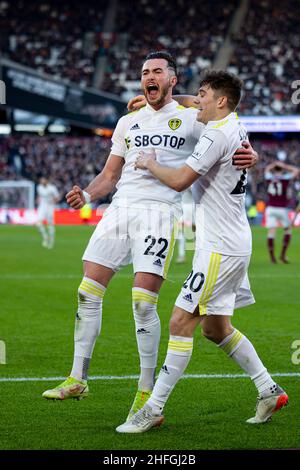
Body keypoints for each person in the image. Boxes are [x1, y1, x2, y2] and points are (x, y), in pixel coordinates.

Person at [42, 53, 257, 420]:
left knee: (143, 303)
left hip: (160, 214)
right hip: (120, 210)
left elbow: (226, 122)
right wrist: (89, 195)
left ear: (172, 79)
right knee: (86, 291)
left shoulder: (192, 118)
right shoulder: (128, 122)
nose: (149, 77)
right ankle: (77, 377)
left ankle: (144, 392)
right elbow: (110, 175)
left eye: (157, 71)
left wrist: (248, 153)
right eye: (145, 73)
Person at [116, 70, 288, 433]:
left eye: (203, 95)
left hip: (219, 249)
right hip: (231, 243)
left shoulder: (215, 135)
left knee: (180, 321)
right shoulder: (235, 123)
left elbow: (179, 181)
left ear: (220, 101)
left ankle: (152, 408)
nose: (198, 100)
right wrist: (163, 101)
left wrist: (149, 163)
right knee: (215, 328)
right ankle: (268, 389)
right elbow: (194, 106)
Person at [265, 160, 299, 263]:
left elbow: (266, 169)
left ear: (274, 170)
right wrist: (284, 166)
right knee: (288, 230)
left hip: (270, 208)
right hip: (282, 208)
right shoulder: (285, 178)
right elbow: (296, 170)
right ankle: (283, 255)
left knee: (271, 231)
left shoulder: (269, 178)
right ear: (281, 170)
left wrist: (273, 164)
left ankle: (272, 258)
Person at [36, 177, 60, 249]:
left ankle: (51, 242)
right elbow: (39, 196)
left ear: (46, 181)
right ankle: (45, 238)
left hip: (50, 206)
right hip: (42, 206)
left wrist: (54, 202)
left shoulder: (52, 188)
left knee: (50, 224)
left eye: (43, 180)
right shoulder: (39, 187)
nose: (42, 181)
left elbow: (57, 197)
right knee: (38, 223)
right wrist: (37, 200)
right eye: (41, 180)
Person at [176, 188, 195, 263]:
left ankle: (198, 253)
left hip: (193, 208)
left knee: (197, 233)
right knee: (181, 232)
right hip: (184, 209)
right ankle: (181, 255)